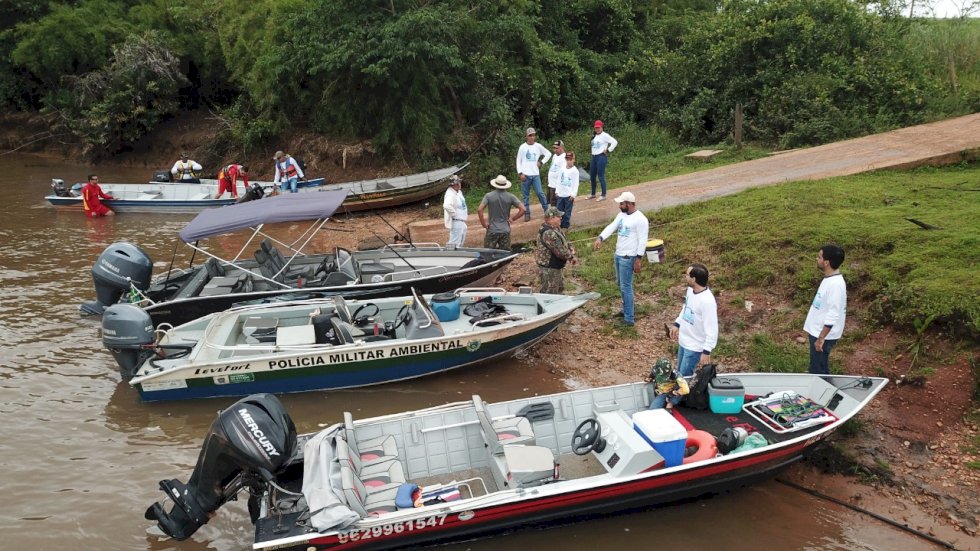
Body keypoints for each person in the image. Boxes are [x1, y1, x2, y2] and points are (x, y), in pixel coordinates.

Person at [593, 191, 649, 327]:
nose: (619, 206)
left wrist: (638, 259)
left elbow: (643, 240)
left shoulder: (641, 219)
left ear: (630, 204)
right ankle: (625, 310)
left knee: (626, 287)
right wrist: (601, 237)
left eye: (622, 203)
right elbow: (612, 226)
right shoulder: (622, 215)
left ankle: (629, 318)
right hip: (618, 255)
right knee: (621, 285)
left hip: (628, 257)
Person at [804, 244, 847, 374]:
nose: (817, 259)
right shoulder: (829, 279)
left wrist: (821, 338)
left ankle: (825, 393)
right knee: (818, 367)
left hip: (822, 336)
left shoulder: (835, 285)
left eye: (819, 257)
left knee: (818, 371)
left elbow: (833, 314)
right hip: (817, 331)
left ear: (826, 262)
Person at [669, 263, 719, 377]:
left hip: (694, 347)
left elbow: (712, 329)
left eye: (687, 275)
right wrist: (677, 323)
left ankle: (682, 395)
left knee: (683, 380)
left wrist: (706, 351)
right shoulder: (690, 291)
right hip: (683, 342)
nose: (685, 277)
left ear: (694, 279)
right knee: (679, 375)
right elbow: (686, 308)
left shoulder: (707, 302)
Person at [477, 175, 526, 251]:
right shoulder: (511, 196)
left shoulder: (488, 196)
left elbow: (480, 209)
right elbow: (523, 209)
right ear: (505, 185)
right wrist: (513, 218)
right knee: (505, 254)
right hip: (505, 230)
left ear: (495, 184)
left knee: (487, 253)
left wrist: (484, 224)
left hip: (492, 230)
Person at [536, 206, 577, 293]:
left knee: (559, 288)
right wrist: (571, 257)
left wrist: (569, 246)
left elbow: (563, 239)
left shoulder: (555, 227)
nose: (561, 218)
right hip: (549, 268)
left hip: (555, 266)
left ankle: (559, 304)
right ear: (551, 218)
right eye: (558, 216)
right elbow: (560, 251)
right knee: (550, 293)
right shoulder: (549, 233)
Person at [515, 127, 551, 221]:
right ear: (527, 136)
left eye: (533, 135)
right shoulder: (522, 147)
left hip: (535, 175)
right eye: (530, 135)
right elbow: (518, 160)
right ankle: (527, 214)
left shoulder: (538, 146)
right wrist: (520, 173)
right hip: (525, 175)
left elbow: (548, 154)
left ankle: (547, 211)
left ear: (535, 136)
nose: (531, 137)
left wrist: (541, 162)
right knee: (525, 196)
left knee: (540, 193)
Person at [588, 120, 618, 201]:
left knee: (600, 175)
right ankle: (593, 194)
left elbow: (615, 142)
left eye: (598, 127)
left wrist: (608, 150)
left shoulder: (605, 135)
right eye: (596, 127)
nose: (597, 129)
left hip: (601, 156)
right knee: (592, 176)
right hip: (594, 157)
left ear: (602, 127)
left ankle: (603, 194)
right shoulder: (594, 135)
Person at [555, 150, 580, 229]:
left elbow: (576, 184)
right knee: (559, 211)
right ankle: (559, 226)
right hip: (560, 194)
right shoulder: (562, 169)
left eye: (570, 159)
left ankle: (566, 227)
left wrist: (573, 194)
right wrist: (557, 191)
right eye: (567, 159)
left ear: (574, 160)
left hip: (569, 196)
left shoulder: (575, 171)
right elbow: (559, 180)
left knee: (567, 213)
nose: (569, 161)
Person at [442, 175, 468, 247]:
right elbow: (446, 205)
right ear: (454, 184)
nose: (460, 184)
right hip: (456, 221)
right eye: (458, 182)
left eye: (459, 182)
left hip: (461, 221)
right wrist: (454, 214)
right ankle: (451, 256)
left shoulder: (458, 192)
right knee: (454, 244)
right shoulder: (450, 194)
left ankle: (458, 255)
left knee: (460, 242)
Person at [546, 140, 566, 207]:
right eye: (554, 148)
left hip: (556, 185)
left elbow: (564, 173)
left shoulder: (564, 157)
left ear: (561, 147)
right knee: (549, 202)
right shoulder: (554, 156)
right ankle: (551, 215)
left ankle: (556, 216)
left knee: (554, 203)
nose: (555, 150)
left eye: (556, 148)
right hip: (550, 184)